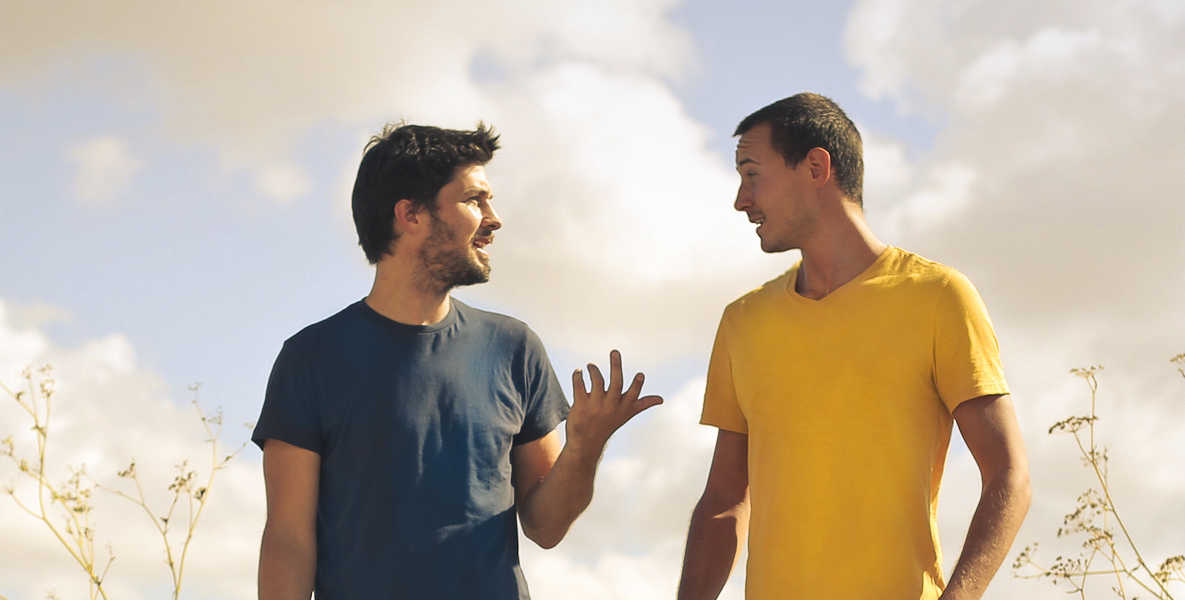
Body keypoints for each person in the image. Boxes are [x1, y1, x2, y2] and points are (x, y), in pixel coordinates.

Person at [253, 122, 661, 599]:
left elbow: (546, 527)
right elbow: (288, 539)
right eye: (474, 200)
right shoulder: (311, 359)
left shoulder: (515, 348)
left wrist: (585, 446)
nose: (494, 218)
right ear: (410, 215)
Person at [677, 93, 1031, 600]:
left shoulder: (937, 297)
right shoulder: (743, 322)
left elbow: (1009, 476)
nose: (741, 199)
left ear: (816, 166)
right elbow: (724, 498)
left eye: (752, 174)